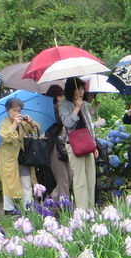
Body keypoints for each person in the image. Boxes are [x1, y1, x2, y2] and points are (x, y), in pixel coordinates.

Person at [58, 77, 98, 210]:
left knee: (91, 178)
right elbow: (67, 124)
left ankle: (91, 209)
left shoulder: (85, 104)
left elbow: (89, 125)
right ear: (71, 90)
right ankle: (82, 211)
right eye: (78, 89)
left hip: (87, 143)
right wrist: (76, 108)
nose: (81, 91)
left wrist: (94, 144)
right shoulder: (64, 104)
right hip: (74, 144)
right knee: (80, 179)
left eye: (82, 88)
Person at [0, 98, 41, 214]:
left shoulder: (23, 123)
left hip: (24, 157)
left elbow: (36, 131)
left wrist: (31, 123)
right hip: (9, 159)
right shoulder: (4, 123)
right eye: (14, 111)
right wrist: (14, 124)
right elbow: (5, 137)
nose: (17, 113)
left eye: (19, 111)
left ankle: (28, 208)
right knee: (9, 184)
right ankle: (9, 208)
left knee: (26, 182)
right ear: (7, 111)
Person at [42, 84, 71, 203]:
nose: (62, 98)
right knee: (62, 178)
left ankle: (51, 201)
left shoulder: (57, 108)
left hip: (60, 144)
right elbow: (62, 121)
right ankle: (65, 205)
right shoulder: (50, 110)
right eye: (60, 96)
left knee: (69, 176)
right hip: (53, 146)